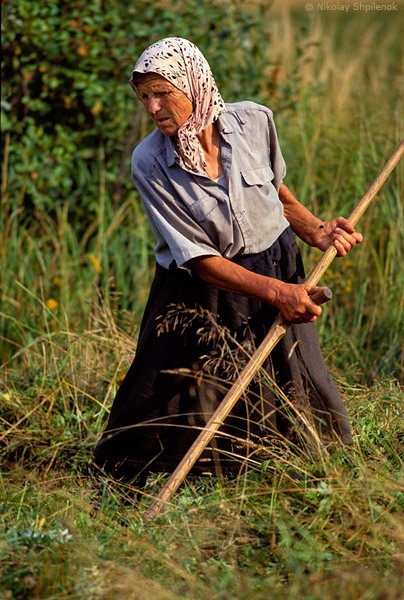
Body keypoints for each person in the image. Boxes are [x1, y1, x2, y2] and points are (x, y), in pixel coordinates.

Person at [94, 37, 362, 486]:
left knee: (292, 377)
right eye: (144, 98)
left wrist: (316, 230)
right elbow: (199, 259)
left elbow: (277, 192)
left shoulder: (254, 121)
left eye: (163, 93)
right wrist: (278, 294)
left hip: (277, 266)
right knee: (172, 394)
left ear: (193, 84)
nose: (153, 107)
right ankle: (125, 483)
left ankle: (286, 476)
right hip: (200, 290)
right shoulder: (150, 161)